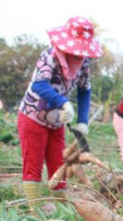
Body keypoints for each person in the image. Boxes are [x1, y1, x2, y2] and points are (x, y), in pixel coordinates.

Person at [18, 16, 102, 207]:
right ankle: (36, 211)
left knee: (59, 163)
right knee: (34, 164)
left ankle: (62, 209)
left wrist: (83, 121)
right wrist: (64, 102)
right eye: (76, 50)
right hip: (33, 118)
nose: (79, 55)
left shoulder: (84, 63)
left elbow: (84, 91)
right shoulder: (49, 56)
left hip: (56, 122)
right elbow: (39, 85)